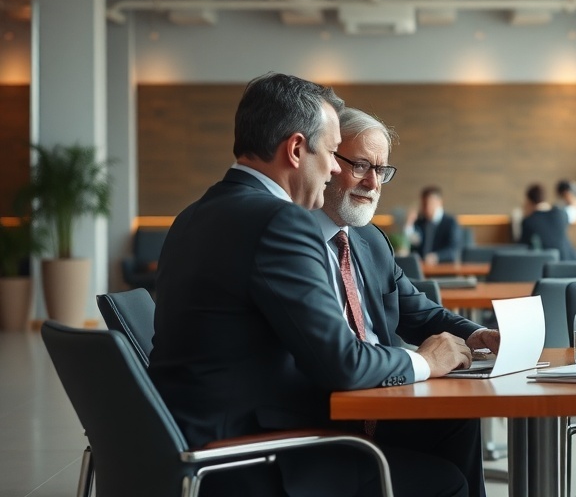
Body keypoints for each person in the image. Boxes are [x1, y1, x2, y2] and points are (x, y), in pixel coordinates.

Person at [149, 72, 494, 497]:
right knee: (447, 483)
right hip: (257, 457)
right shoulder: (278, 220)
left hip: (198, 445)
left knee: (451, 424)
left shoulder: (194, 215)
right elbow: (342, 364)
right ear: (296, 149)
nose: (333, 168)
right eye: (333, 153)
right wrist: (425, 361)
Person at [315, 106, 499, 497]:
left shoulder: (369, 241)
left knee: (459, 418)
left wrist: (479, 335)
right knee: (447, 482)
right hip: (326, 416)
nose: (373, 183)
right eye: (362, 165)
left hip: (383, 402)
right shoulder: (294, 245)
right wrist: (425, 361)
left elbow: (418, 312)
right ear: (328, 161)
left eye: (381, 171)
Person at [519, 183, 576, 261]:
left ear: (529, 202)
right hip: (571, 261)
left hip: (550, 265)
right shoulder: (561, 213)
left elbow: (523, 249)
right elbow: (575, 210)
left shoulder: (528, 221)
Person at [405, 185, 462, 264]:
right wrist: (409, 223)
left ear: (439, 202)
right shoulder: (420, 222)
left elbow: (453, 250)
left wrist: (436, 257)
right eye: (424, 204)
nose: (426, 207)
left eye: (429, 203)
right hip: (422, 268)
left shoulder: (450, 222)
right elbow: (413, 244)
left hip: (443, 269)